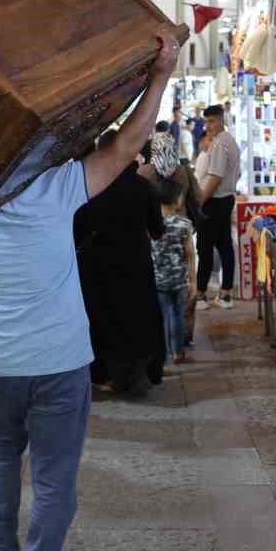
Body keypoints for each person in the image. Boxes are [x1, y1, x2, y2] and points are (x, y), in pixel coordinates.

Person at [0, 32, 179, 551]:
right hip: (57, 361)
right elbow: (127, 148)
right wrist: (161, 74)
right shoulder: (53, 190)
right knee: (52, 480)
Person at [74, 131, 166, 395]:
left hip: (96, 266)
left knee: (101, 318)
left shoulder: (88, 188)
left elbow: (76, 231)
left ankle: (102, 375)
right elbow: (157, 229)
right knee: (139, 317)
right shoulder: (141, 186)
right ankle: (144, 372)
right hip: (135, 263)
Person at [195, 105, 240, 309]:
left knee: (204, 248)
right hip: (226, 199)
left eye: (211, 121)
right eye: (206, 122)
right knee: (224, 246)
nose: (208, 126)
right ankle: (226, 295)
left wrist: (199, 202)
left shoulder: (220, 144)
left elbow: (214, 178)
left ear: (221, 120)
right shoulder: (230, 142)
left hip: (215, 202)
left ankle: (201, 296)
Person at [151, 177, 196, 368]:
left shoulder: (150, 223)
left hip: (157, 280)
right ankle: (177, 352)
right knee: (177, 316)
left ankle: (161, 358)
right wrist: (193, 282)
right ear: (176, 199)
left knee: (160, 318)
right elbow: (190, 254)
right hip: (179, 280)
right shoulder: (184, 224)